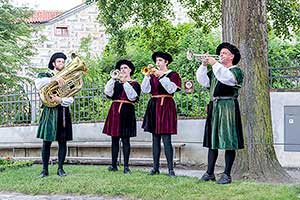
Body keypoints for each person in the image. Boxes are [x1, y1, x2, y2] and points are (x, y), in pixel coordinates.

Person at [196, 42, 244, 184]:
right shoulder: (217, 71)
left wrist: (215, 63)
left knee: (229, 141)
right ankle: (209, 173)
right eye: (221, 53)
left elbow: (227, 79)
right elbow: (202, 81)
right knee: (212, 141)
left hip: (228, 107)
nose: (221, 55)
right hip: (214, 107)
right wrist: (204, 65)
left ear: (232, 56)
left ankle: (227, 175)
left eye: (224, 53)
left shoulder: (236, 71)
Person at [141, 51, 181, 177]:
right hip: (154, 105)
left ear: (166, 62)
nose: (157, 63)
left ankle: (170, 169)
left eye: (160, 61)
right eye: (156, 61)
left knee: (166, 139)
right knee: (155, 139)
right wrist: (147, 76)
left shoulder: (173, 74)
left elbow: (171, 89)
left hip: (166, 105)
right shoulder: (152, 75)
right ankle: (155, 168)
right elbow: (145, 90)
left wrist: (162, 77)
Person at [34, 52, 74, 177]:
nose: (61, 64)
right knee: (46, 142)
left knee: (63, 142)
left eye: (63, 62)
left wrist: (60, 100)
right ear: (53, 63)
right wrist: (53, 79)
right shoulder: (46, 75)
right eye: (59, 61)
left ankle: (60, 169)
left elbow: (72, 98)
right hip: (49, 112)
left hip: (62, 111)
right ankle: (44, 170)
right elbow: (37, 84)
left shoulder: (69, 78)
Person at [103, 59, 141, 174]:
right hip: (114, 111)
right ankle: (113, 165)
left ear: (130, 70)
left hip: (127, 111)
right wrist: (113, 79)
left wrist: (125, 83)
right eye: (121, 68)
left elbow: (133, 97)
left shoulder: (134, 84)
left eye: (125, 68)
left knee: (125, 140)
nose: (122, 70)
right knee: (114, 139)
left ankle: (126, 166)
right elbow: (108, 93)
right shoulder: (115, 83)